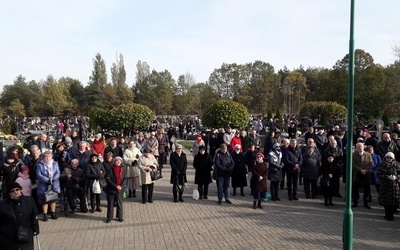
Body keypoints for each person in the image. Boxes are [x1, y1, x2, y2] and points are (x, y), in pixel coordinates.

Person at [0, 182, 40, 249]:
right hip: (9, 238)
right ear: (9, 193)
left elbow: (34, 215)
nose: (15, 192)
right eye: (12, 191)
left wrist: (35, 229)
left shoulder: (29, 200)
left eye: (17, 189)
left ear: (20, 190)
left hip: (26, 235)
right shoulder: (3, 204)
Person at [36, 150, 61, 221]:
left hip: (54, 184)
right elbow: (38, 174)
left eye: (49, 156)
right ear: (43, 157)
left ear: (51, 156)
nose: (47, 158)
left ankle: (53, 213)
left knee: (53, 199)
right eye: (46, 156)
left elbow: (58, 172)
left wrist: (53, 179)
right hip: (44, 185)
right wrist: (46, 180)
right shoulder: (40, 164)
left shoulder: (55, 163)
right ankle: (45, 215)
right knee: (44, 200)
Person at [377, 152, 400, 221]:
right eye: (387, 158)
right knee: (386, 202)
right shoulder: (382, 164)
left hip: (394, 186)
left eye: (390, 158)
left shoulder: (397, 165)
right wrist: (387, 177)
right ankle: (387, 215)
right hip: (385, 186)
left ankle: (391, 214)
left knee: (393, 201)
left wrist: (396, 177)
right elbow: (378, 174)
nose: (389, 159)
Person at [104, 156, 126, 223]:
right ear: (114, 162)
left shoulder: (123, 169)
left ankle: (120, 216)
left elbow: (124, 179)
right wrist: (116, 186)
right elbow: (108, 179)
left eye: (120, 161)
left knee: (119, 203)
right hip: (111, 188)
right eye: (117, 161)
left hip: (119, 189)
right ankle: (109, 217)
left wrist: (121, 186)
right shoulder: (110, 169)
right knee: (110, 204)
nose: (118, 162)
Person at [352, 142, 373, 209]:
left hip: (366, 174)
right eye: (358, 146)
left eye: (361, 146)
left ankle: (366, 202)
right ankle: (355, 202)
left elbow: (371, 163)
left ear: (363, 147)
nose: (360, 148)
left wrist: (365, 170)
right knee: (356, 189)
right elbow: (353, 164)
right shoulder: (354, 155)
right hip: (357, 174)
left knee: (366, 189)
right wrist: (360, 170)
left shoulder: (368, 154)